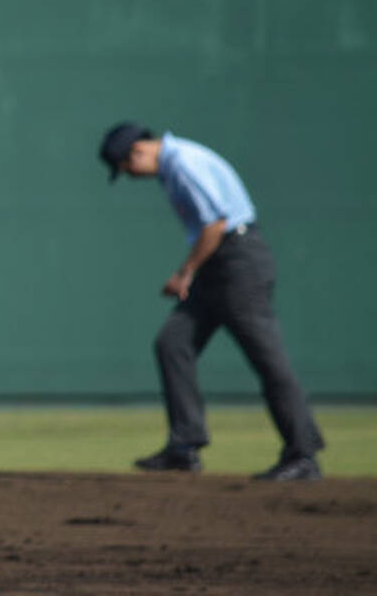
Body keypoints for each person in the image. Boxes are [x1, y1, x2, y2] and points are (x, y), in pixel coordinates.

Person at [97, 122, 325, 482]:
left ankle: (303, 454)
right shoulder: (176, 164)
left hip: (237, 260)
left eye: (125, 167)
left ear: (138, 151)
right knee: (173, 343)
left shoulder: (183, 163)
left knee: (268, 359)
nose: (128, 174)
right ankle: (184, 447)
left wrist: (185, 272)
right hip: (220, 263)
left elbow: (214, 225)